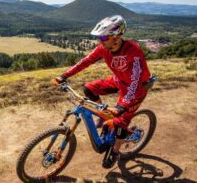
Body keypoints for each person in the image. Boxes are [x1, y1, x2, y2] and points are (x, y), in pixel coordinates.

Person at [54, 15, 152, 168]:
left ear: (117, 36)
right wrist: (64, 75)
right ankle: (104, 116)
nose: (100, 40)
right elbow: (85, 61)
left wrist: (122, 106)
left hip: (136, 89)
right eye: (99, 37)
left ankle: (115, 151)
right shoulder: (103, 48)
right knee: (89, 88)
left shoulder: (133, 51)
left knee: (120, 122)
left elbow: (135, 81)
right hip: (118, 81)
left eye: (104, 36)